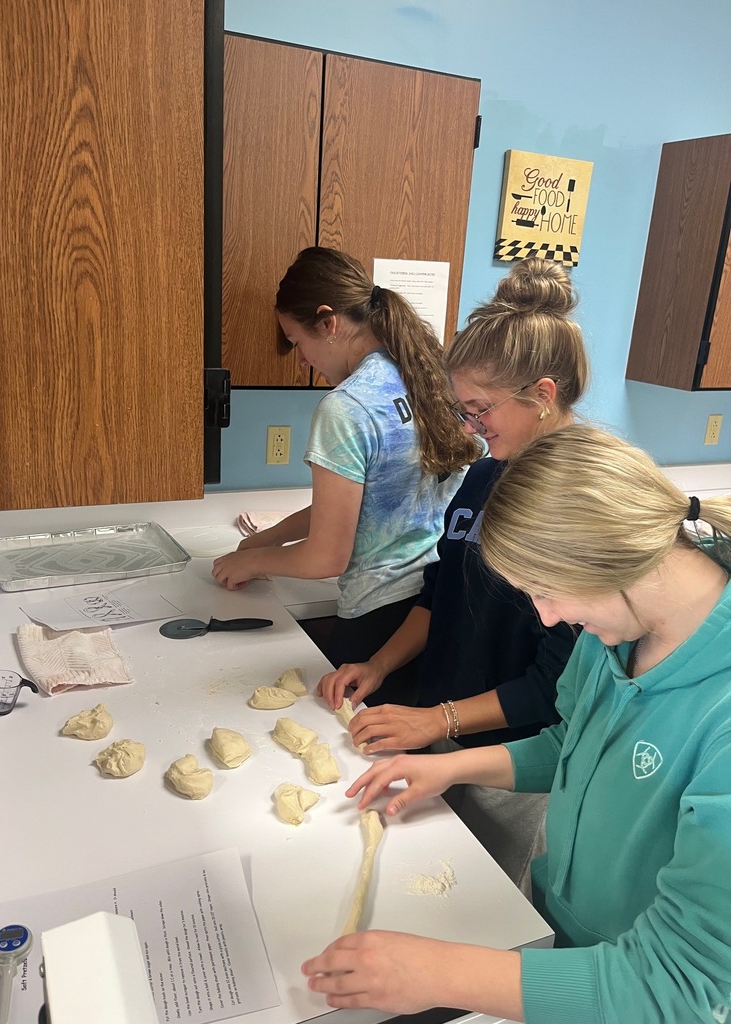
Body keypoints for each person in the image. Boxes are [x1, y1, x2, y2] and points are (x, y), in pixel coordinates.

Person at [302, 425, 731, 1024]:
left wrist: (437, 974)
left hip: (634, 987)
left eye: (547, 592)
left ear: (607, 558)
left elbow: (676, 989)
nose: (547, 616)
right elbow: (573, 746)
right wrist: (448, 765)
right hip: (566, 935)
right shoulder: (614, 629)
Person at [318, 257, 588, 887]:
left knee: (481, 904)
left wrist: (438, 721)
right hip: (443, 728)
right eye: (462, 410)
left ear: (542, 396)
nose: (469, 427)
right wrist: (381, 666)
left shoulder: (576, 508)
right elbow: (442, 590)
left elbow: (555, 683)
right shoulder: (489, 473)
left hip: (512, 761)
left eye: (479, 409)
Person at [212, 247, 478, 705]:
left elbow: (326, 557)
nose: (302, 361)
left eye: (298, 343)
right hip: (437, 605)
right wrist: (269, 536)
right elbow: (368, 504)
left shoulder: (346, 407)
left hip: (377, 619)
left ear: (328, 322)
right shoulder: (427, 375)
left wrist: (251, 562)